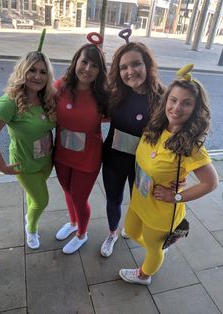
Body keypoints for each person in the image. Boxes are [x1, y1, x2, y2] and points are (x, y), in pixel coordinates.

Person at [119, 65, 219, 285]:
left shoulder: (190, 145)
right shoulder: (155, 127)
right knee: (133, 232)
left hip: (161, 212)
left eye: (186, 103)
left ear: (195, 108)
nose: (176, 108)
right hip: (140, 198)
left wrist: (177, 196)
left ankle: (144, 275)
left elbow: (211, 183)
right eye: (173, 100)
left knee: (154, 249)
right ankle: (160, 248)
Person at [100, 40, 165, 257]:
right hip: (113, 161)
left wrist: (180, 174)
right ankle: (112, 233)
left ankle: (131, 227)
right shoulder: (115, 93)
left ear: (147, 64)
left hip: (143, 166)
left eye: (136, 64)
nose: (130, 71)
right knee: (113, 199)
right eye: (123, 67)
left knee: (139, 202)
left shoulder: (163, 98)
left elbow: (177, 136)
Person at [0, 51, 56, 250]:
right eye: (32, 70)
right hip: (24, 165)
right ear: (22, 71)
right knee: (42, 201)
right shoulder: (9, 102)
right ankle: (31, 228)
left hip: (46, 161)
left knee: (34, 196)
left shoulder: (47, 97)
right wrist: (1, 166)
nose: (37, 76)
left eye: (43, 72)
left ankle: (30, 212)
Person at [54, 35, 108, 254]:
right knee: (67, 190)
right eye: (84, 61)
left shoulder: (103, 95)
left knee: (79, 196)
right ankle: (73, 222)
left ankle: (82, 234)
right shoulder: (61, 86)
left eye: (94, 65)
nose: (87, 68)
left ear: (99, 71)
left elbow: (117, 114)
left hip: (88, 157)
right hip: (62, 154)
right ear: (76, 61)